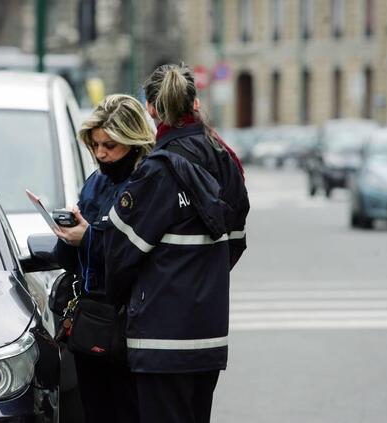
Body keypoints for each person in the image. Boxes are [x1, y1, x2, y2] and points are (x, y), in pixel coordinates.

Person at [102, 63, 250, 423]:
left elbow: (118, 256)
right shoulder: (225, 161)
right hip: (208, 334)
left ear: (151, 109)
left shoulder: (156, 172)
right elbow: (235, 242)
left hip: (159, 339)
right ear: (194, 103)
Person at [53, 94, 155, 423]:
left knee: (129, 410)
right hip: (93, 319)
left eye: (110, 145)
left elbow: (135, 251)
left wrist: (89, 238)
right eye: (96, 145)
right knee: (94, 410)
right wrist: (68, 236)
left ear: (133, 142)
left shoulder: (147, 182)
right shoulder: (96, 182)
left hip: (132, 322)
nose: (101, 154)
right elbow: (74, 256)